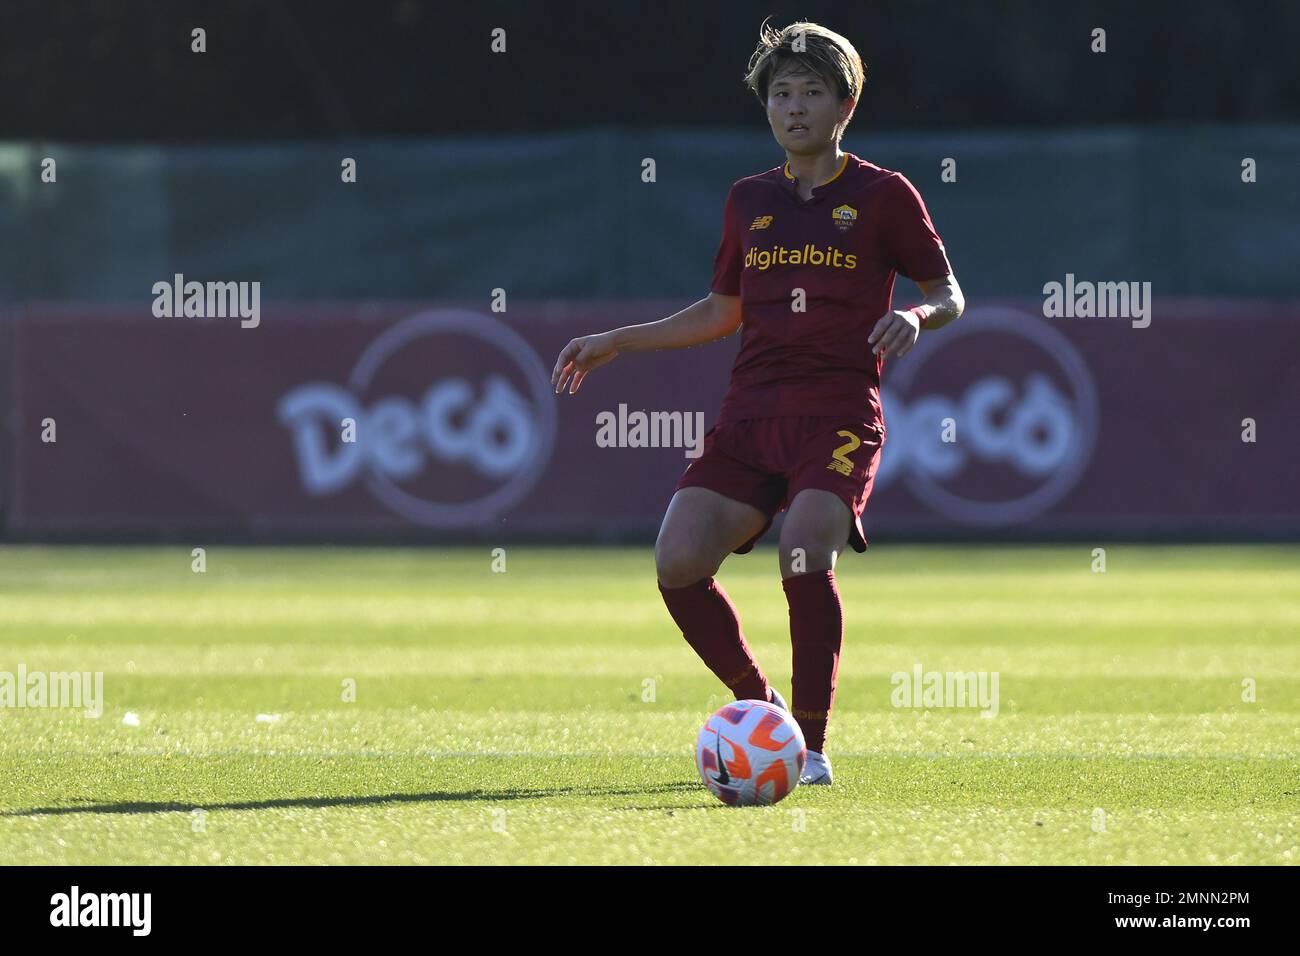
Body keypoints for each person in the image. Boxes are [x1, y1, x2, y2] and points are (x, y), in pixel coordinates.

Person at [551, 19, 964, 785]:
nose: (794, 106)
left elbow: (948, 293)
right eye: (781, 93)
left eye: (812, 92)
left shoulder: (883, 196)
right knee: (676, 562)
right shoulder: (749, 201)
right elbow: (720, 311)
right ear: (766, 107)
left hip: (838, 412)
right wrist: (619, 339)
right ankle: (758, 706)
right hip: (751, 416)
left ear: (845, 105)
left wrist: (913, 315)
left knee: (803, 551)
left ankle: (809, 746)